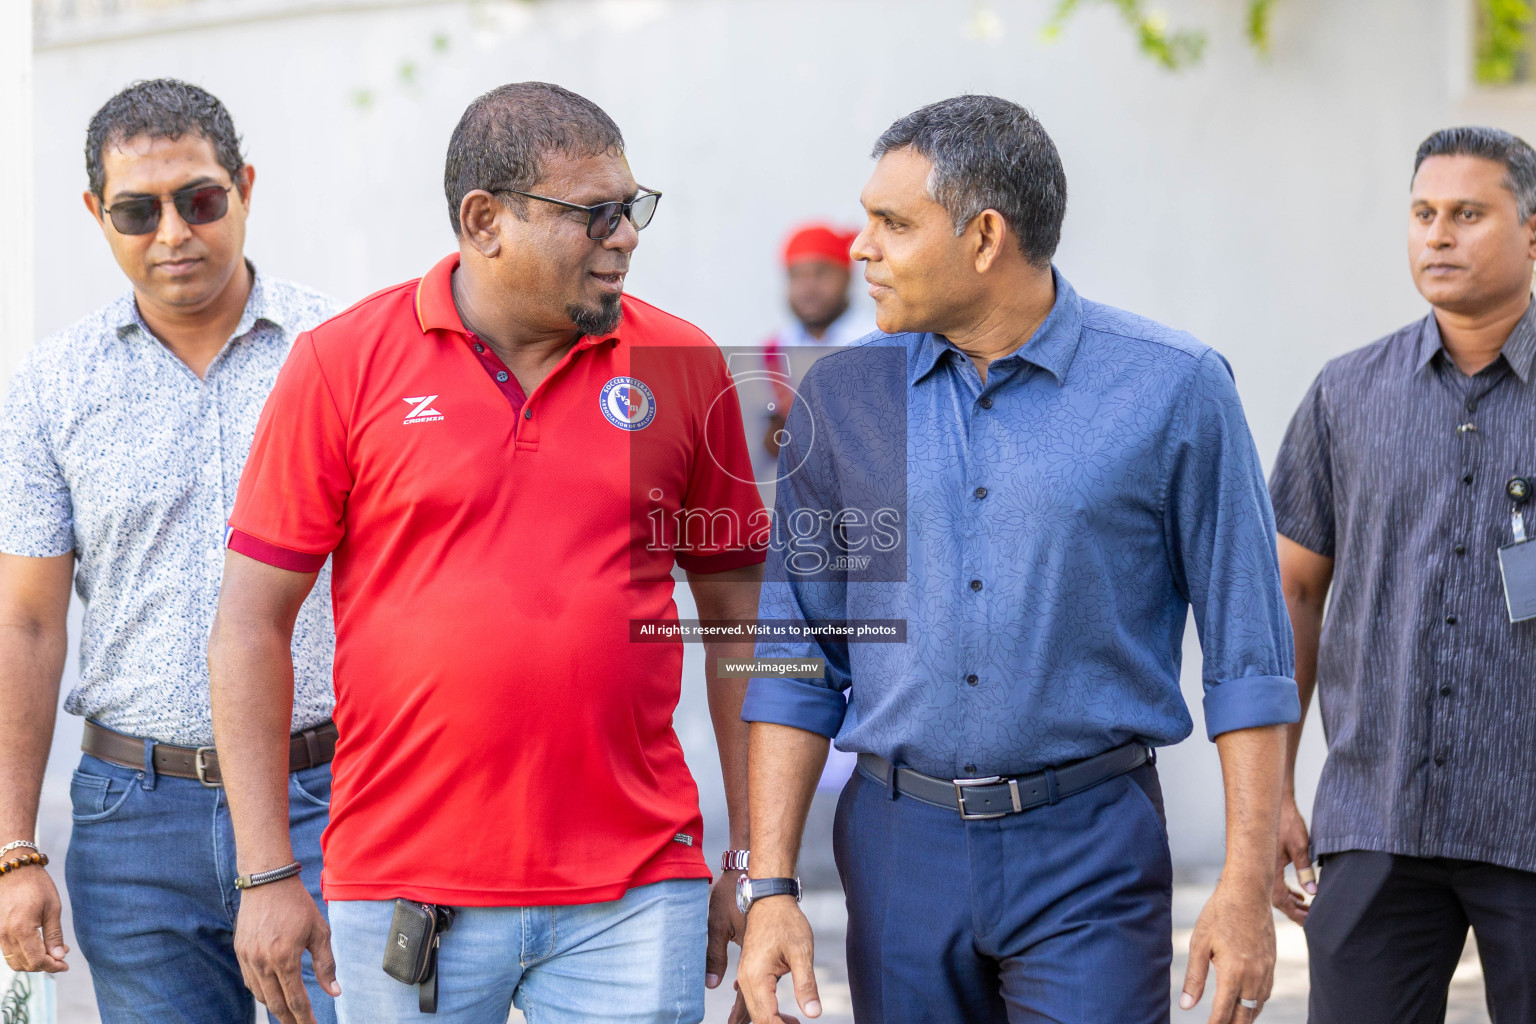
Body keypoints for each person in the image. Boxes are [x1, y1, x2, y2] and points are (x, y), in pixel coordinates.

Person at [206, 82, 766, 1024]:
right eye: (596, 214)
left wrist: (758, 861)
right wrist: (267, 870)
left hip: (635, 890)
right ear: (485, 220)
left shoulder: (684, 361)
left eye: (632, 209)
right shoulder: (343, 363)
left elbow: (744, 628)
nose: (626, 235)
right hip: (403, 887)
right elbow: (249, 624)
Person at [733, 95, 1300, 1024]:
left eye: (893, 223)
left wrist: (1242, 886)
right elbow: (797, 661)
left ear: (985, 236)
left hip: (1091, 847)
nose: (861, 249)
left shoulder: (1175, 388)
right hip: (895, 850)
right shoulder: (842, 398)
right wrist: (772, 890)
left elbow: (1249, 655)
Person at [0, 79, 339, 1023]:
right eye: (137, 212)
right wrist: (13, 849)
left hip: (330, 797)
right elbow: (24, 626)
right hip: (133, 822)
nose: (173, 234)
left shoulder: (341, 352)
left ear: (244, 186)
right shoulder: (50, 387)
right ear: (96, 215)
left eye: (199, 199)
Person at [1268, 126, 1536, 1024]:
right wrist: (1269, 788)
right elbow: (1291, 593)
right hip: (1374, 819)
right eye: (1423, 213)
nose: (1438, 235)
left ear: (1532, 233)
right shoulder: (1346, 394)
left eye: (1468, 213)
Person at [758, 224, 874, 459]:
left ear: (847, 276)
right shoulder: (771, 350)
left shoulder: (880, 340)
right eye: (797, 275)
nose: (807, 288)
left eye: (820, 273)